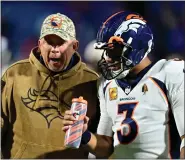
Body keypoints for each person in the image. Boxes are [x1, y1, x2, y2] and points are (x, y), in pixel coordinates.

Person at [62, 11, 185, 159]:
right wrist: (84, 135)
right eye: (106, 51)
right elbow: (106, 147)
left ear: (137, 45)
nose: (107, 58)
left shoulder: (169, 73)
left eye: (113, 49)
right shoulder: (107, 85)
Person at [1, 13, 100, 159]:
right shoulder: (14, 75)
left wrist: (87, 135)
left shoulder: (91, 82)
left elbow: (105, 141)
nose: (55, 49)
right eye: (50, 42)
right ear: (40, 45)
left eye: (61, 43)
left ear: (75, 46)